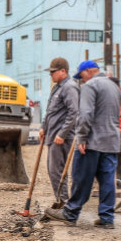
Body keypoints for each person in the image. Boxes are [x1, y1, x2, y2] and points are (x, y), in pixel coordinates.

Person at [45, 60, 121, 229]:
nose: (82, 79)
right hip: (112, 141)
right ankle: (107, 218)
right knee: (107, 180)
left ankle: (70, 213)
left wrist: (81, 137)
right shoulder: (114, 87)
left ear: (88, 71)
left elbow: (85, 114)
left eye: (82, 76)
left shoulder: (90, 86)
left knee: (82, 178)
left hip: (92, 142)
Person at [40, 57, 79, 207]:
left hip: (61, 137)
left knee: (56, 170)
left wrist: (62, 134)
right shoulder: (57, 87)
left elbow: (74, 112)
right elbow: (50, 110)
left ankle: (63, 201)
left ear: (63, 71)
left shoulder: (69, 87)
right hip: (53, 135)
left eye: (53, 72)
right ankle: (61, 200)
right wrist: (43, 127)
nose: (51, 75)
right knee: (53, 170)